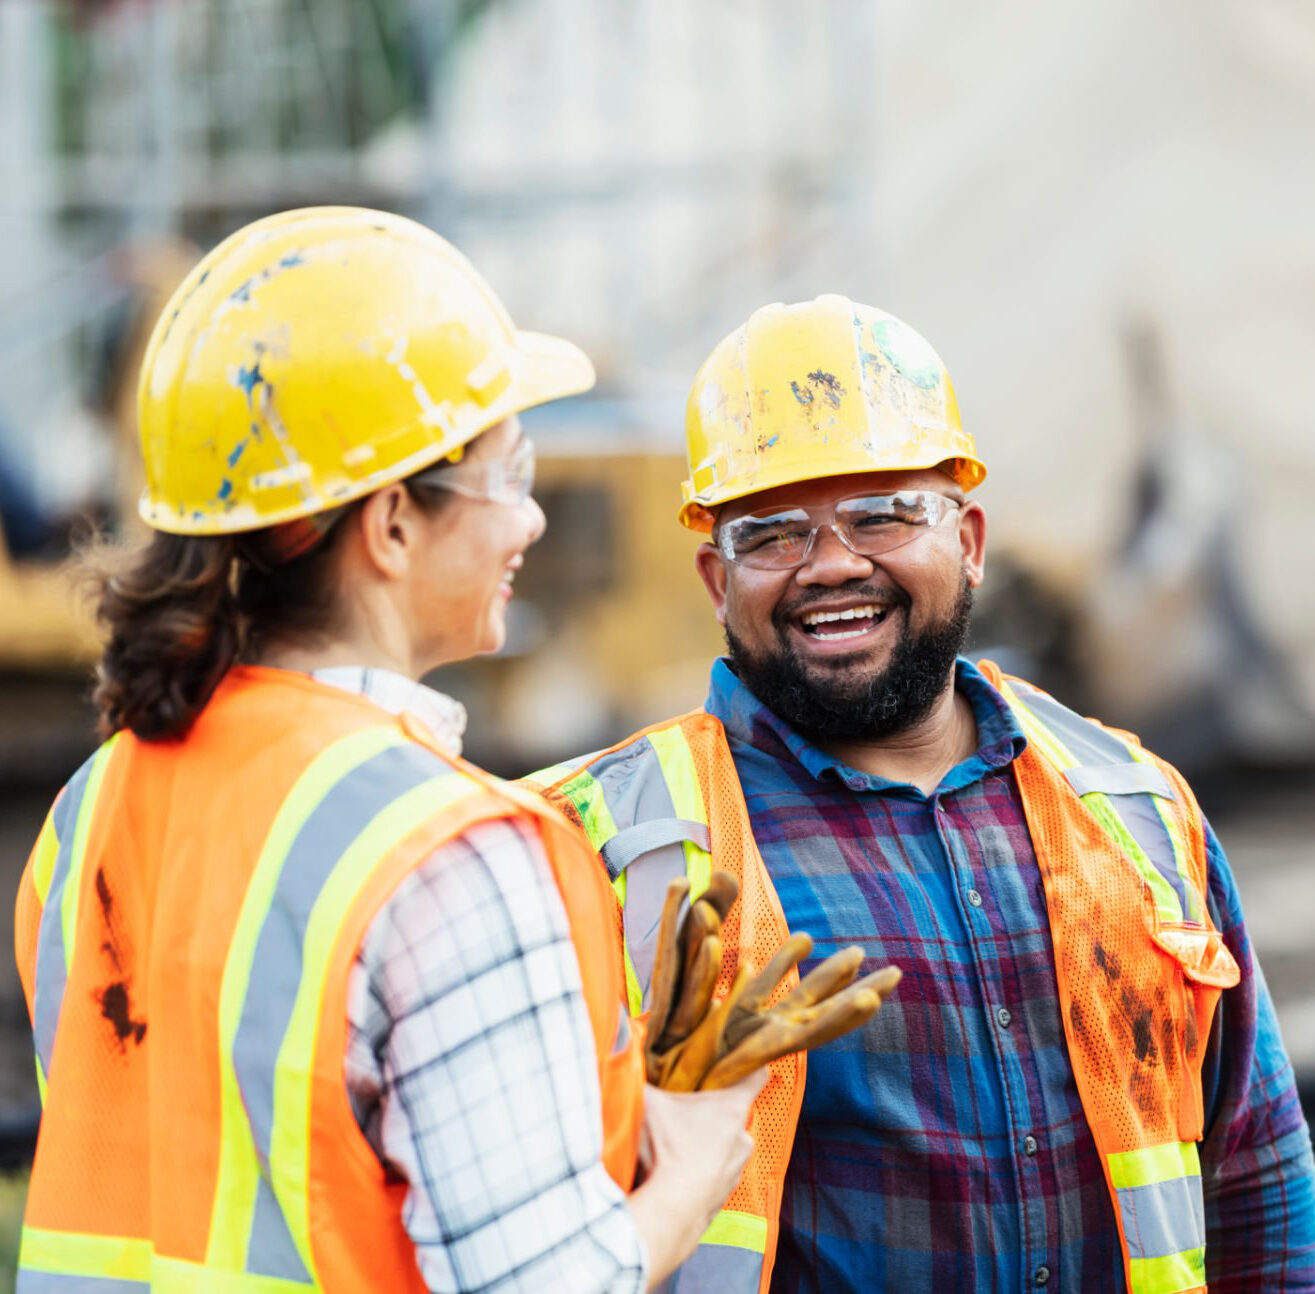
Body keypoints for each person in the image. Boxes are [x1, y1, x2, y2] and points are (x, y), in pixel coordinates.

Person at [13, 206, 761, 1293]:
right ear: (392, 522)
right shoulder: (452, 854)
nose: (531, 522)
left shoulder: (91, 808)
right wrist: (688, 1178)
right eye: (511, 475)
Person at [525, 294, 1315, 1292]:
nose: (832, 566)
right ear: (712, 580)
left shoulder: (1134, 803)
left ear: (971, 539)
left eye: (882, 514)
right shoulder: (591, 848)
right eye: (771, 534)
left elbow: (1250, 1166)